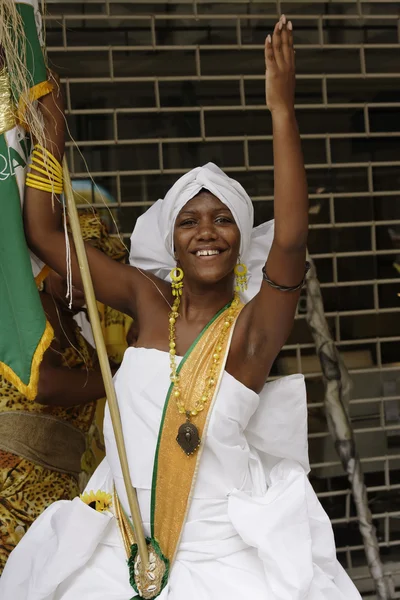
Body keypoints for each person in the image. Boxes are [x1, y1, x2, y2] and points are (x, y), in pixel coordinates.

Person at [0, 16, 362, 599]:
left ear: (241, 239)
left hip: (222, 564)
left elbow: (291, 239)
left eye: (223, 219)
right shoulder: (147, 303)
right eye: (189, 222)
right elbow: (44, 236)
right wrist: (50, 144)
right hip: (120, 559)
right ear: (170, 245)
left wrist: (282, 112)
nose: (207, 232)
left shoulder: (250, 334)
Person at [0, 211, 131, 575]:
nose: (86, 286)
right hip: (15, 490)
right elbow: (43, 383)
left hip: (54, 483)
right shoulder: (29, 311)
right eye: (74, 270)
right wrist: (121, 377)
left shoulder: (70, 320)